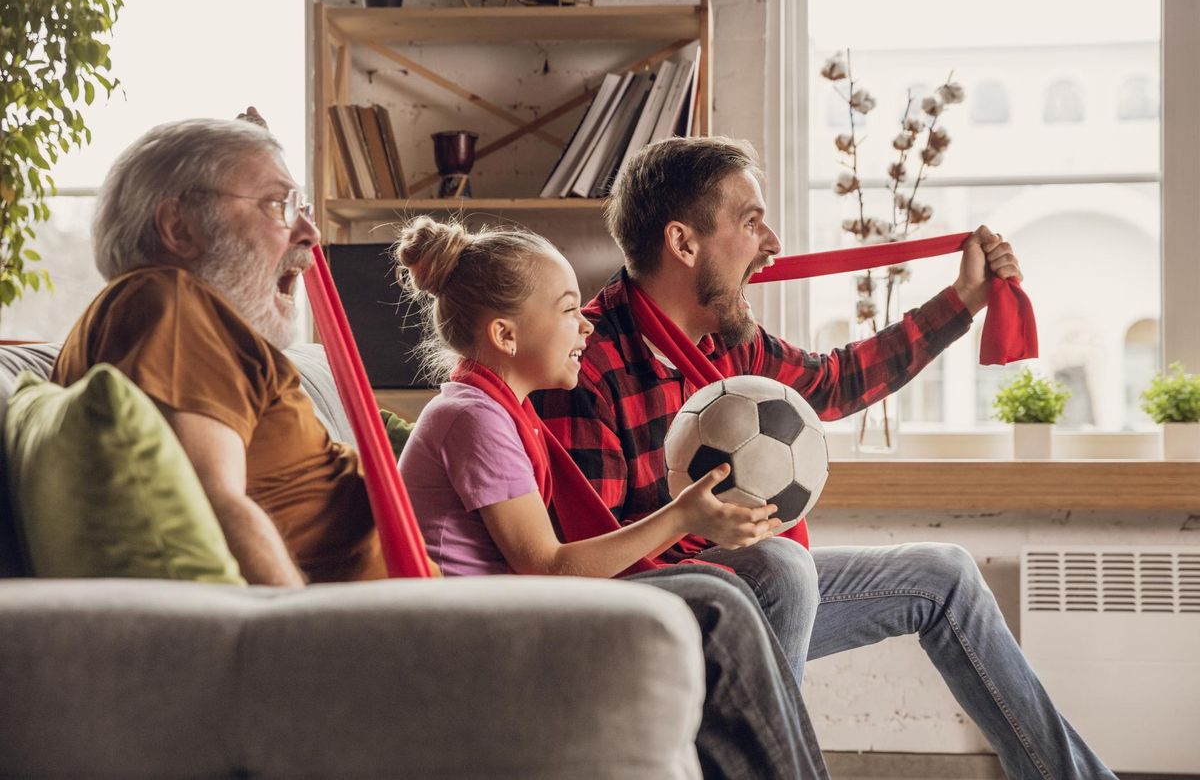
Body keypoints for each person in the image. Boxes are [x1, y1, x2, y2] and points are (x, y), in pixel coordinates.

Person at [51, 117, 829, 779]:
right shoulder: (171, 303)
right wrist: (307, 659)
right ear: (178, 225)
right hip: (393, 626)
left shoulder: (213, 339)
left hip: (413, 602)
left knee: (737, 588)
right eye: (276, 203)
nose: (308, 230)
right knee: (719, 608)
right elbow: (215, 499)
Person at [532, 135, 1117, 780]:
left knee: (943, 574)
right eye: (751, 222)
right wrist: (691, 524)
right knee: (779, 564)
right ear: (683, 243)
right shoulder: (587, 366)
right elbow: (598, 568)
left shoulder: (732, 345)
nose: (772, 243)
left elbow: (835, 382)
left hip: (743, 590)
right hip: (652, 612)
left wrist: (964, 301)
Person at [394, 216, 829, 778]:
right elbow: (547, 569)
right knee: (717, 600)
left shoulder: (497, 408)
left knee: (736, 584)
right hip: (484, 636)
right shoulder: (471, 417)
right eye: (568, 309)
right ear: (506, 335)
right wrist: (681, 517)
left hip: (512, 613)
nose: (587, 329)